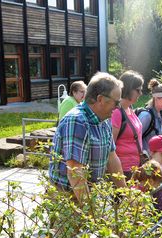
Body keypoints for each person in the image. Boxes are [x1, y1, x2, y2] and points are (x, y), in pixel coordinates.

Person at [49, 72, 126, 203]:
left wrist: (126, 195)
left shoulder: (104, 120)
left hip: (89, 193)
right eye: (116, 102)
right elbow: (75, 171)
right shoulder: (78, 121)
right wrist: (91, 214)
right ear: (100, 99)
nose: (118, 106)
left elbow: (112, 158)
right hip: (69, 198)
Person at [111, 70, 144, 179]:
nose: (140, 93)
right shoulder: (117, 112)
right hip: (123, 171)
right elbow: (110, 146)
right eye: (138, 90)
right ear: (128, 89)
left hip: (134, 168)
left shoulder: (129, 108)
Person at [138, 79, 162, 152]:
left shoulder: (161, 114)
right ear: (156, 98)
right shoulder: (146, 116)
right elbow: (135, 138)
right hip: (146, 158)